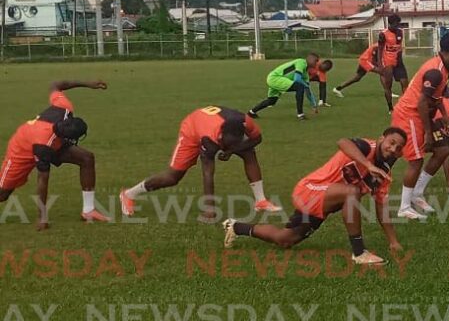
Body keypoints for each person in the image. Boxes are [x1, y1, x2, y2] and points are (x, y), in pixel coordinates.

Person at [223, 129, 407, 264]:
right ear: (382, 138)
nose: (393, 149)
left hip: (325, 201)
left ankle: (236, 226)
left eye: (398, 148)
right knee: (352, 191)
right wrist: (368, 164)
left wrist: (393, 241)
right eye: (391, 142)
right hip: (309, 191)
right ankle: (359, 253)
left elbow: (381, 208)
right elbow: (343, 141)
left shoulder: (384, 175)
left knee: (285, 239)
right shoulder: (366, 147)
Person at [120, 105, 281, 222]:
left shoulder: (245, 122)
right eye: (228, 143)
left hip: (213, 122)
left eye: (235, 142)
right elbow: (208, 172)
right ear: (220, 136)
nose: (230, 145)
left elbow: (257, 139)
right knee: (172, 177)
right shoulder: (209, 137)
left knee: (249, 152)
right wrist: (210, 209)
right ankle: (129, 194)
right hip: (193, 128)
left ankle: (260, 201)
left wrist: (232, 150)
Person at [1, 80, 109, 229]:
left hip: (50, 140)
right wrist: (42, 217)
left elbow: (55, 85)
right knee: (3, 194)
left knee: (86, 158)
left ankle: (88, 210)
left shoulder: (64, 108)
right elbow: (42, 180)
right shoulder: (43, 145)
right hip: (22, 148)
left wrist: (88, 84)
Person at [393, 30, 449, 219]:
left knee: (442, 151)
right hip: (410, 114)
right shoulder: (435, 71)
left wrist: (445, 115)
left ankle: (417, 193)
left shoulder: (444, 67)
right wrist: (427, 132)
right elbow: (422, 102)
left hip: (421, 114)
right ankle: (404, 207)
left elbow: (437, 96)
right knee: (416, 160)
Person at [248, 53, 320, 120]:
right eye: (316, 61)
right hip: (276, 78)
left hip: (275, 79)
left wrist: (314, 105)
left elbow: (308, 91)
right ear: (310, 60)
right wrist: (305, 85)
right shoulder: (301, 62)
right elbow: (297, 79)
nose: (317, 64)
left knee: (272, 101)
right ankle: (300, 114)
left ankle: (251, 112)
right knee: (300, 87)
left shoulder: (305, 74)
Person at [378, 14, 409, 113]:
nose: (398, 26)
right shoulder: (383, 34)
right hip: (388, 61)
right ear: (391, 23)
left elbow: (399, 46)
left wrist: (400, 59)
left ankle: (405, 106)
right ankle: (390, 107)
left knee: (404, 83)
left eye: (398, 24)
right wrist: (380, 63)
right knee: (388, 86)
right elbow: (380, 48)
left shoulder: (400, 32)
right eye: (396, 24)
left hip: (398, 61)